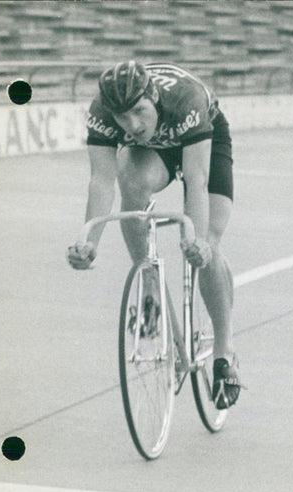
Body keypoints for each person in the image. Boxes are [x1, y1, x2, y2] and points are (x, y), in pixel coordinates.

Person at [66, 60, 240, 409]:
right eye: (122, 118)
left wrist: (198, 242)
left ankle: (224, 351)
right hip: (156, 150)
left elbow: (197, 181)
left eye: (139, 111)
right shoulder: (102, 109)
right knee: (129, 180)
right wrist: (89, 243)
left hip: (202, 139)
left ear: (153, 95)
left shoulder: (185, 100)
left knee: (208, 248)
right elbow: (101, 182)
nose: (132, 124)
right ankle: (149, 284)